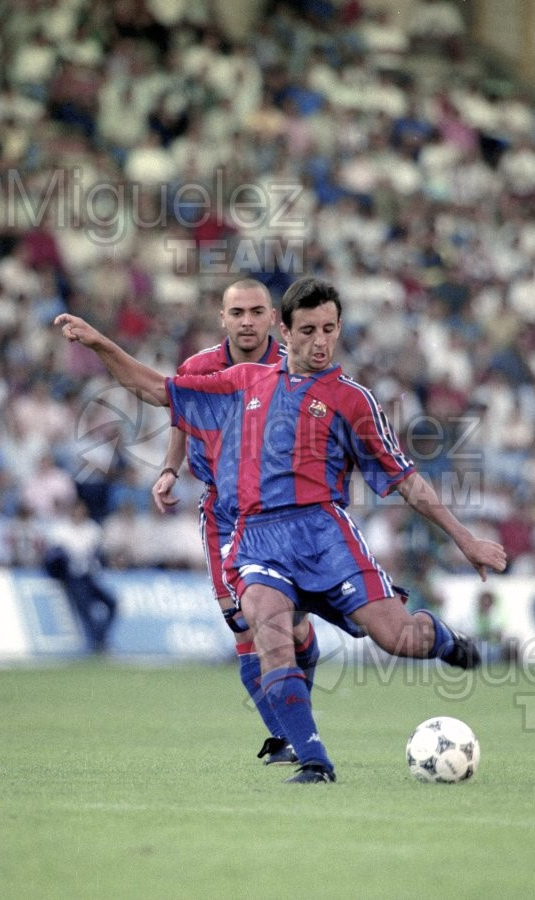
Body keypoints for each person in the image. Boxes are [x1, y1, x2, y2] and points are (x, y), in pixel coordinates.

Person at [55, 276, 507, 784]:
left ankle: (440, 639)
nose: (321, 341)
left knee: (397, 638)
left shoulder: (352, 400)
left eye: (330, 329)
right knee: (268, 634)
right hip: (255, 537)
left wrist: (465, 538)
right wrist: (99, 344)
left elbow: (404, 477)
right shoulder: (246, 380)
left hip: (324, 534)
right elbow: (155, 389)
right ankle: (313, 760)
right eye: (309, 329)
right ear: (286, 332)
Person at [154, 278, 321, 766]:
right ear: (222, 318)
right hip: (225, 515)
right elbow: (181, 420)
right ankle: (289, 736)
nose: (246, 321)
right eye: (237, 312)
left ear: (273, 318)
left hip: (283, 512)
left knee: (292, 626)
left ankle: (296, 716)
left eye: (256, 311)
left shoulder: (295, 364)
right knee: (243, 624)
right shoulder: (196, 368)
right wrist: (168, 469)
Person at [43, 499, 118, 654]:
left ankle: (100, 638)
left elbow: (98, 554)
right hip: (72, 577)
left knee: (112, 603)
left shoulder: (92, 529)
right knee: (85, 609)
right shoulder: (60, 530)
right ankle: (97, 643)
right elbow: (55, 556)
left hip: (89, 576)